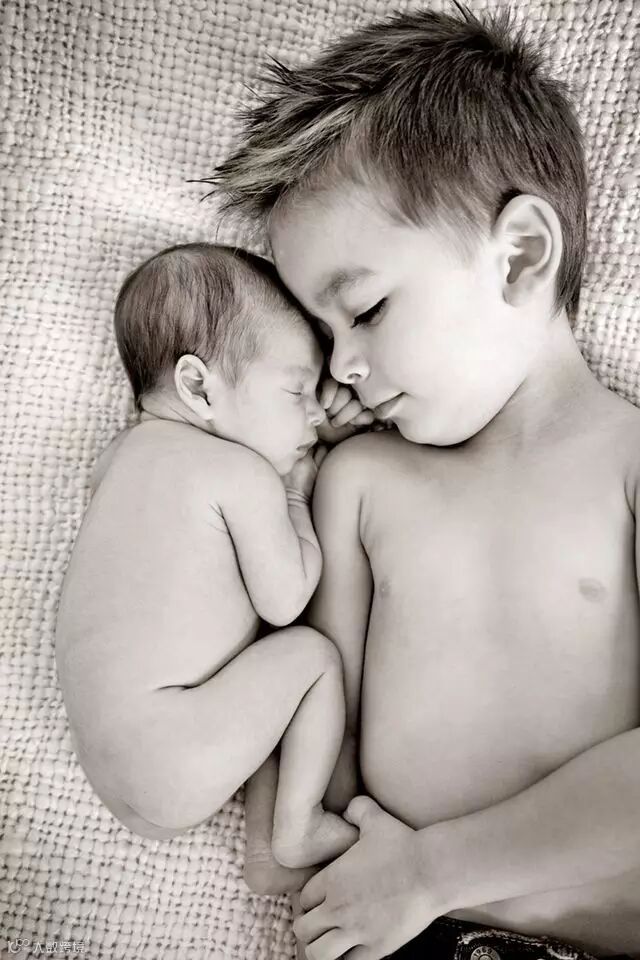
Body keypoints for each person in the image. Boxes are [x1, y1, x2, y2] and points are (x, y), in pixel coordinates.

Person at [208, 5, 640, 959]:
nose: (342, 366)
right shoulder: (361, 485)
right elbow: (317, 743)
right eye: (321, 336)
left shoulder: (626, 465)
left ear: (520, 256)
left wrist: (435, 868)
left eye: (363, 310)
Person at [54, 242, 373, 888]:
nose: (315, 413)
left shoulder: (118, 459)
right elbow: (286, 599)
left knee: (262, 679)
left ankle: (265, 851)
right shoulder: (240, 475)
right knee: (310, 656)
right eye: (297, 390)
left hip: (113, 772)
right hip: (176, 750)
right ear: (199, 387)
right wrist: (295, 493)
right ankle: (296, 824)